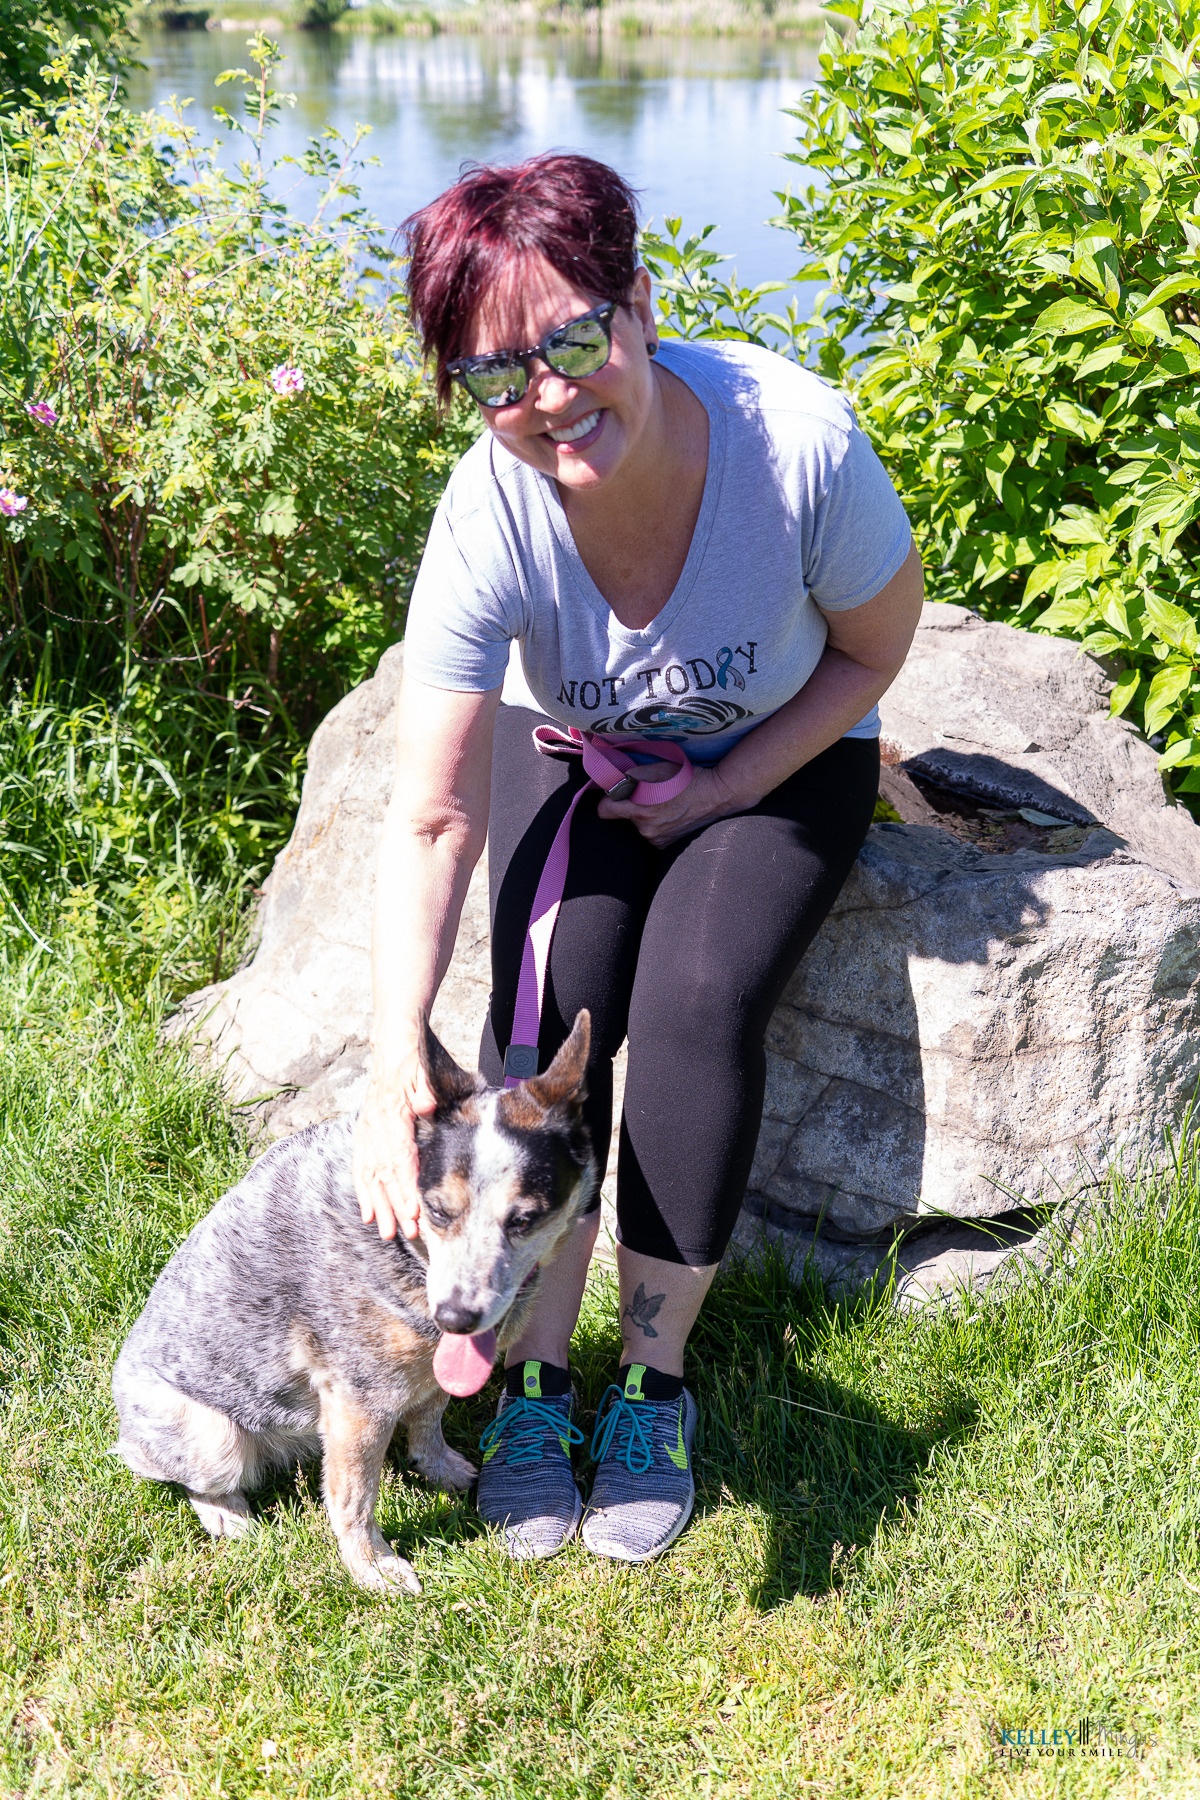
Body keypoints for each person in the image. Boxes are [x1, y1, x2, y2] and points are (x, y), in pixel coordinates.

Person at [352, 152, 924, 1565]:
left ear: (641, 308)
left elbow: (876, 650)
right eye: (495, 375)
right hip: (570, 760)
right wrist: (385, 1065)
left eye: (569, 338)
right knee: (547, 1012)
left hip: (784, 755)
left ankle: (654, 1389)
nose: (545, 395)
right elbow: (433, 814)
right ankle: (537, 1383)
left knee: (689, 1001)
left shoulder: (796, 442)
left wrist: (729, 777)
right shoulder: (487, 516)